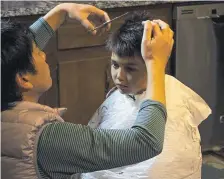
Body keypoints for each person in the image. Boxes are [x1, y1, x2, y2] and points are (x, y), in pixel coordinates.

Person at [1, 3, 174, 179]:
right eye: (37, 53)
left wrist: (61, 12)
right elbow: (146, 142)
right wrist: (156, 64)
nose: (44, 54)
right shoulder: (48, 140)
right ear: (23, 79)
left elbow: (15, 53)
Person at [80, 12, 211, 179]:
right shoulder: (120, 96)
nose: (118, 76)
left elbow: (166, 168)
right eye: (115, 65)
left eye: (130, 69)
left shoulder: (174, 102)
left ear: (153, 63)